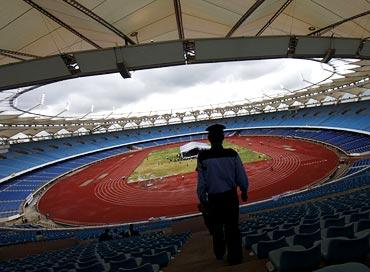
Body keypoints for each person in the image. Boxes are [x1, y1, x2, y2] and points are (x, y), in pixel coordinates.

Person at [197, 124, 248, 265]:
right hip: (231, 198)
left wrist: (202, 199)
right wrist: (244, 190)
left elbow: (201, 182)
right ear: (223, 137)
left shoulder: (202, 157)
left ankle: (219, 254)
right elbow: (241, 176)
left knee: (217, 229)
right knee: (232, 228)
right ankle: (235, 257)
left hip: (214, 199)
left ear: (208, 139)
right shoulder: (232, 153)